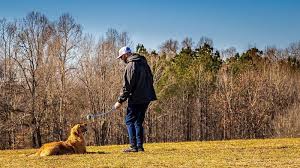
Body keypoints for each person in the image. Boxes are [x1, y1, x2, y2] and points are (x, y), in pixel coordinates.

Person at [114, 46, 157, 152]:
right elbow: (151, 79)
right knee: (138, 122)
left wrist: (120, 101)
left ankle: (133, 146)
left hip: (136, 98)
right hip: (147, 97)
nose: (121, 60)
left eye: (121, 57)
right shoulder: (144, 63)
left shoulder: (131, 65)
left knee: (129, 121)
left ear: (125, 55)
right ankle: (139, 147)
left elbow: (127, 86)